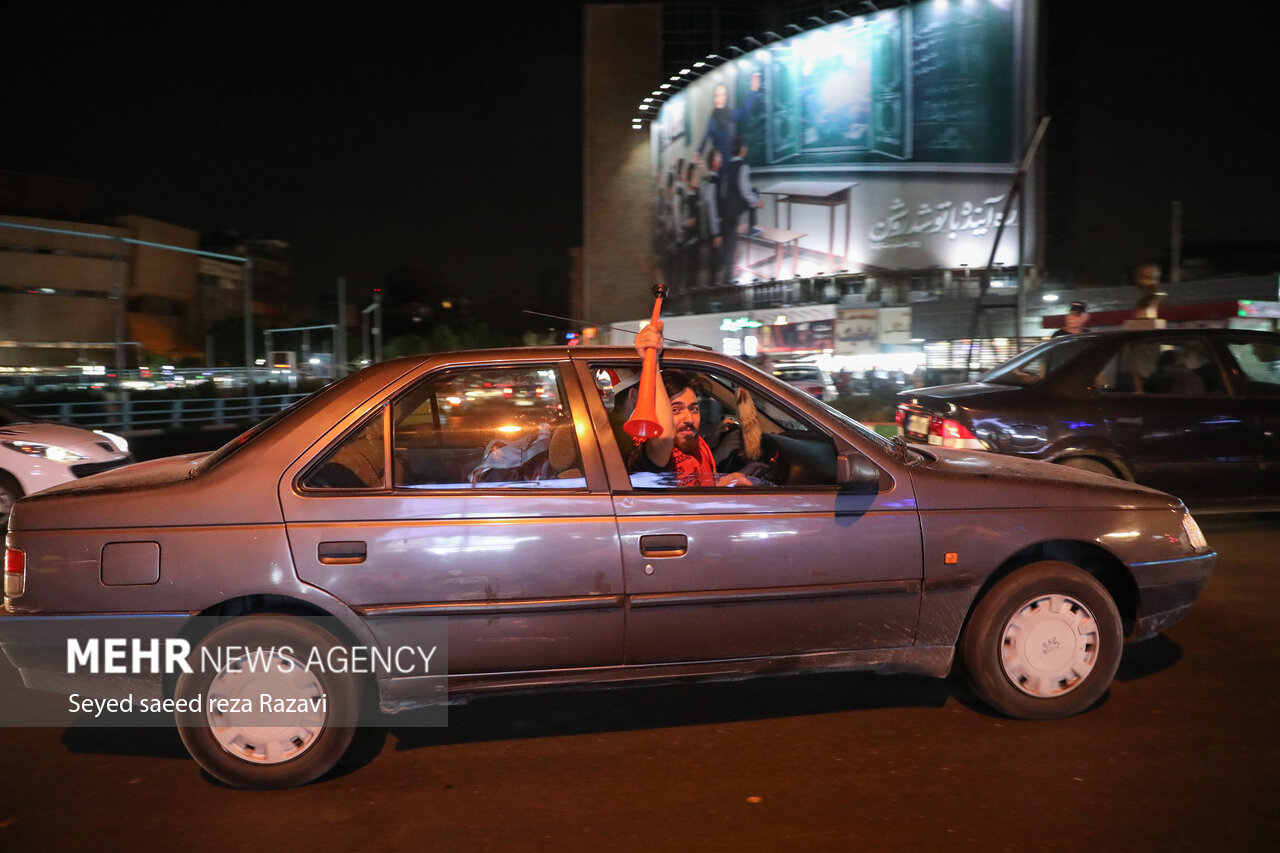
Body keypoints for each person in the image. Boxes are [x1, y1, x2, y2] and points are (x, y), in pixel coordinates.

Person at [632, 322, 752, 487]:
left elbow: (698, 480)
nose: (689, 418)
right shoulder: (653, 454)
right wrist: (651, 360)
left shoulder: (697, 443)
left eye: (693, 408)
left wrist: (733, 478)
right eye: (675, 410)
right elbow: (664, 436)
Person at [719, 135, 764, 285]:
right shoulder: (743, 167)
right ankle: (728, 279)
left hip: (725, 208)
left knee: (729, 244)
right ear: (743, 149)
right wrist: (756, 203)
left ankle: (728, 274)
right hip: (734, 210)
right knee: (754, 192)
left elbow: (724, 190)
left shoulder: (726, 167)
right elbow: (745, 191)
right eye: (745, 146)